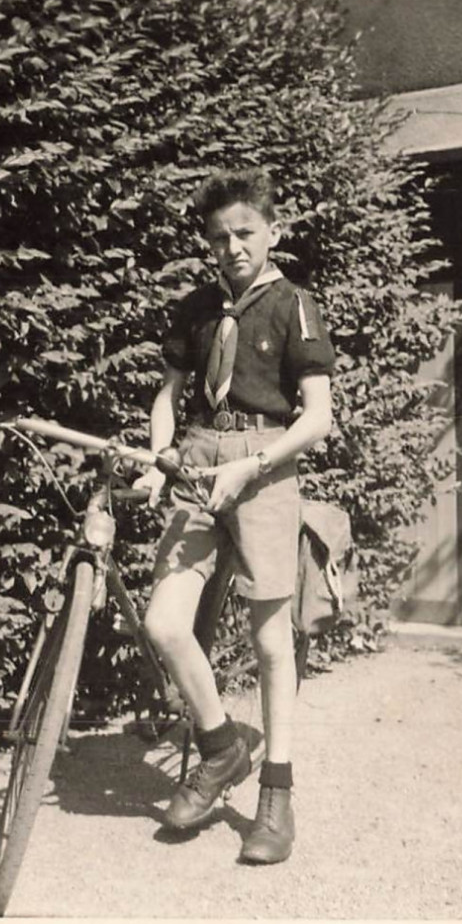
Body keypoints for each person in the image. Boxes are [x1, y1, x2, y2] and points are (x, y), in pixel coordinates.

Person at [136, 167, 335, 864]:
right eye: (218, 237)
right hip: (195, 466)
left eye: (244, 232)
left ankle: (274, 796)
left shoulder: (294, 306)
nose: (231, 247)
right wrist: (159, 456)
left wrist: (253, 465)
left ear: (271, 232)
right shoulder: (195, 308)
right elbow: (168, 393)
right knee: (164, 621)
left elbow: (318, 418)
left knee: (271, 644)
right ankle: (221, 749)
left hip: (264, 470)